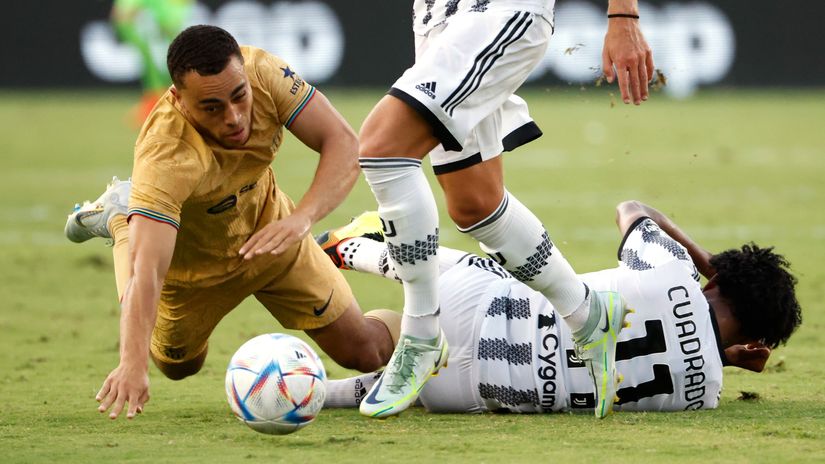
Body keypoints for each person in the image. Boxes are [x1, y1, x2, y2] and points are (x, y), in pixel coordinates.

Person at [64, 25, 398, 420]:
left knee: (366, 352)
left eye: (239, 96)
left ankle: (440, 340)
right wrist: (131, 365)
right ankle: (124, 219)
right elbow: (147, 274)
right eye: (212, 107)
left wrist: (301, 218)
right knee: (178, 366)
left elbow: (343, 142)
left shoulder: (265, 73)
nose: (235, 117)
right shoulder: (164, 155)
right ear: (178, 99)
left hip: (273, 234)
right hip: (192, 272)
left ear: (244, 73)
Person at [355, 0, 655, 418]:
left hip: (498, 9)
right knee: (474, 204)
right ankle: (588, 314)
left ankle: (422, 335)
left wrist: (623, 15)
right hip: (439, 15)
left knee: (382, 150)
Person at [317, 202, 801, 413]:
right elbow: (677, 352)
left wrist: (705, 258)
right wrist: (728, 355)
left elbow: (633, 209)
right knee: (402, 344)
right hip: (467, 394)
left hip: (477, 306)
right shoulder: (705, 395)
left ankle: (350, 249)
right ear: (753, 341)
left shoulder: (673, 268)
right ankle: (317, 394)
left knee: (489, 270)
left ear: (715, 279)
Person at [111, 0, 195, 125]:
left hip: (162, 32)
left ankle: (161, 111)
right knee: (158, 72)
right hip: (158, 32)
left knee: (162, 72)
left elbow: (122, 15)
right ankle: (156, 110)